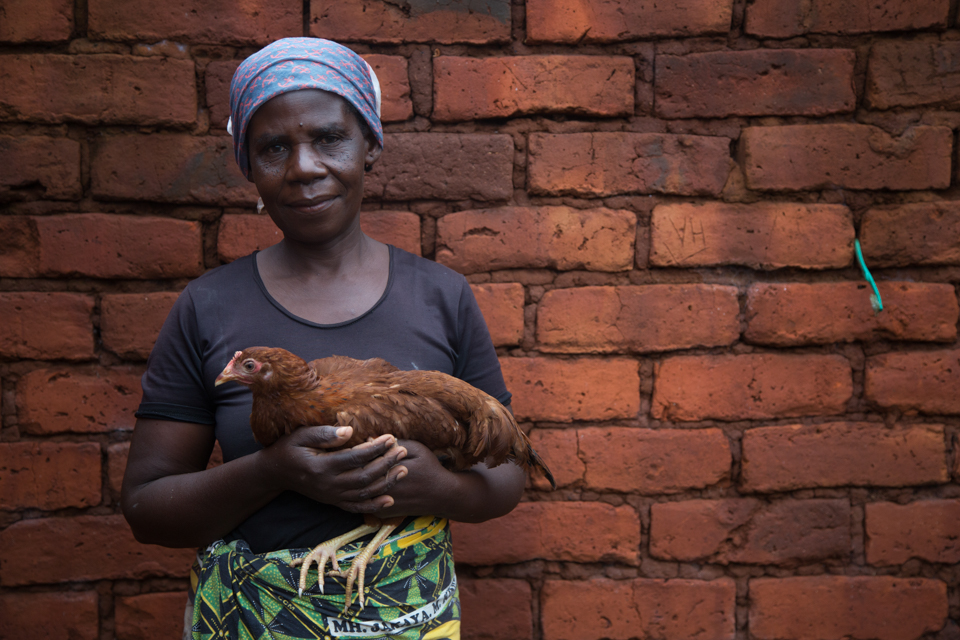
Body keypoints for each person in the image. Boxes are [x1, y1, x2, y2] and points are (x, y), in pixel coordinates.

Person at [121, 37, 525, 640]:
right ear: (249, 168)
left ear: (369, 147)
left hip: (403, 615)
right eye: (274, 147)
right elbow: (147, 509)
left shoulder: (441, 296)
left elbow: (506, 473)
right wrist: (274, 471)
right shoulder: (208, 306)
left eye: (329, 138)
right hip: (252, 621)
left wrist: (438, 488)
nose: (304, 166)